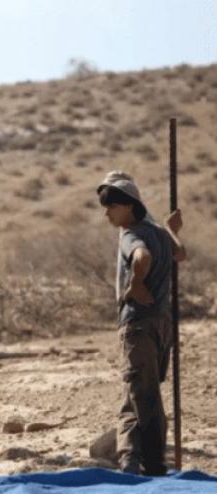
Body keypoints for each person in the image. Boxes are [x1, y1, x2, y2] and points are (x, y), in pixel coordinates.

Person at [97, 171, 186, 476]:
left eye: (112, 207)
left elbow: (141, 256)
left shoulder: (130, 233)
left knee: (145, 395)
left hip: (138, 323)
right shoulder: (159, 231)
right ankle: (129, 459)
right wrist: (172, 230)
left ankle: (153, 463)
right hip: (161, 323)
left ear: (129, 206)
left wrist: (135, 283)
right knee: (136, 391)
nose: (107, 213)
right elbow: (180, 253)